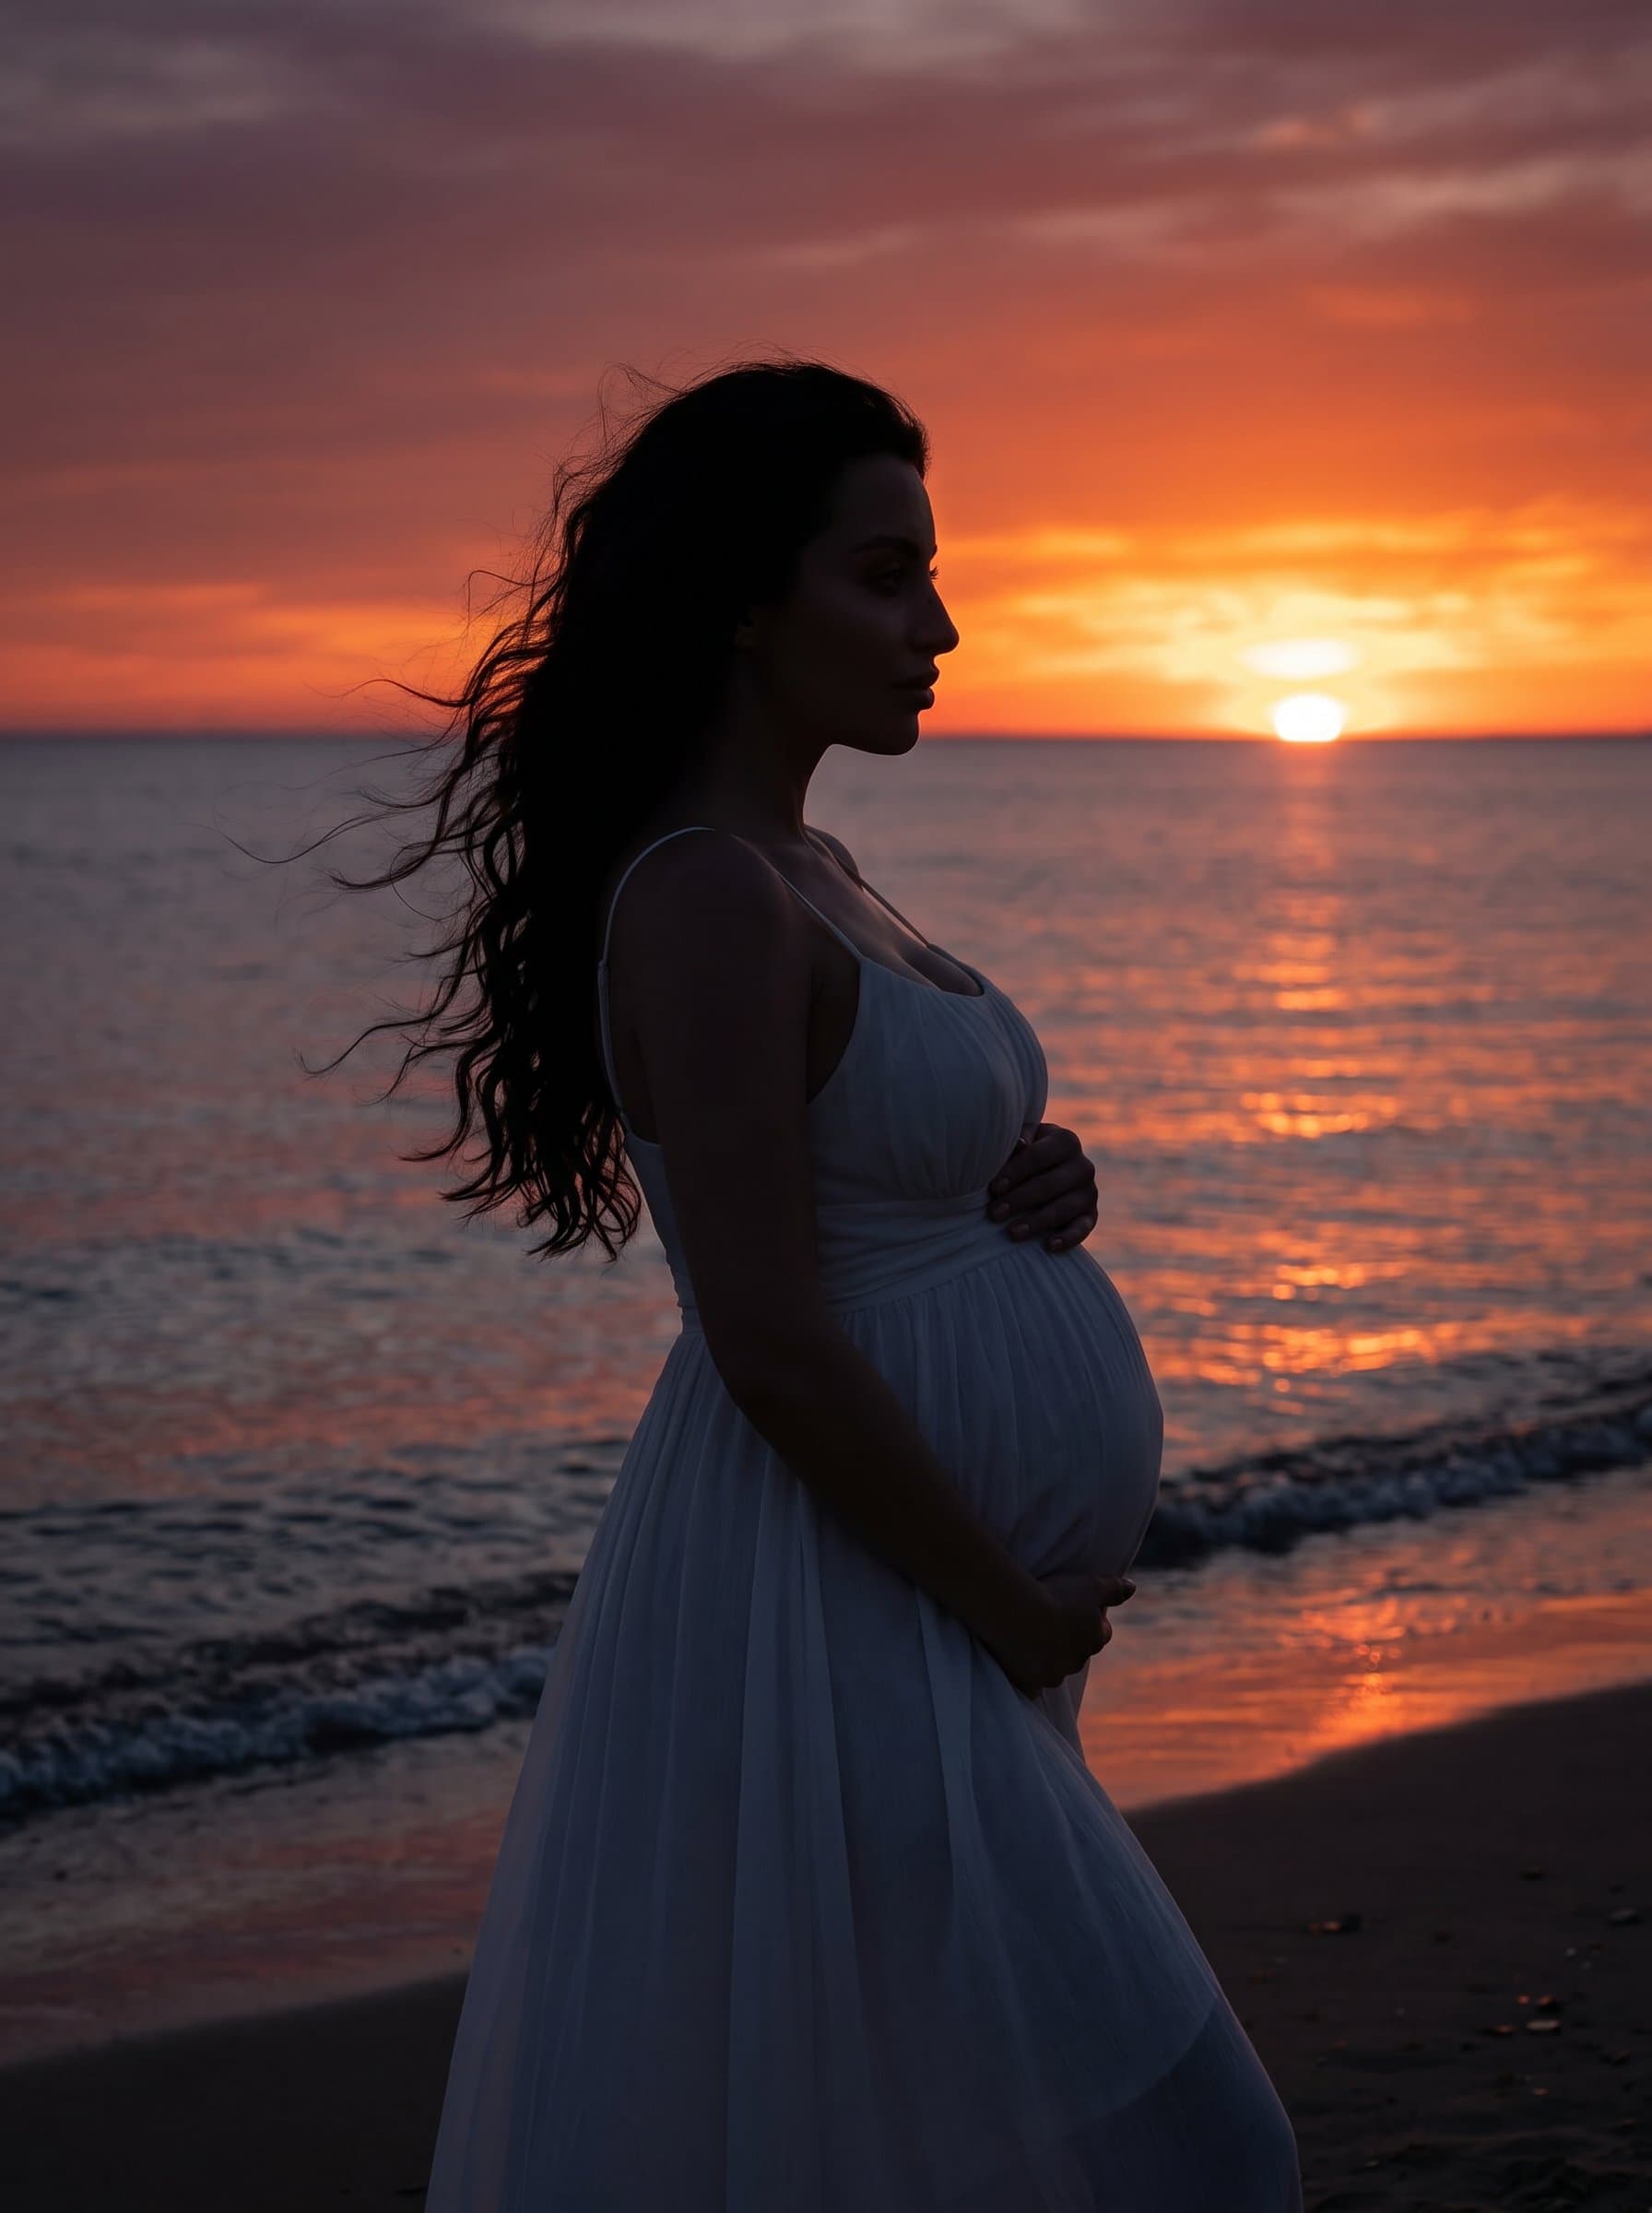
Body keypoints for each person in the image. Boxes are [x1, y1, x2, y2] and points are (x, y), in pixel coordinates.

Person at [329, 356, 1302, 2207]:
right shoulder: (705, 893)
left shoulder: (813, 866)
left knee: (941, 2128)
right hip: (844, 1596)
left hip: (914, 1601)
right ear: (742, 603)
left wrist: (1028, 1181)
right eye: (883, 575)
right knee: (1194, 2153)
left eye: (932, 573)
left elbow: (863, 1184)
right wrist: (1000, 1610)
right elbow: (763, 1330)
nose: (938, 623)